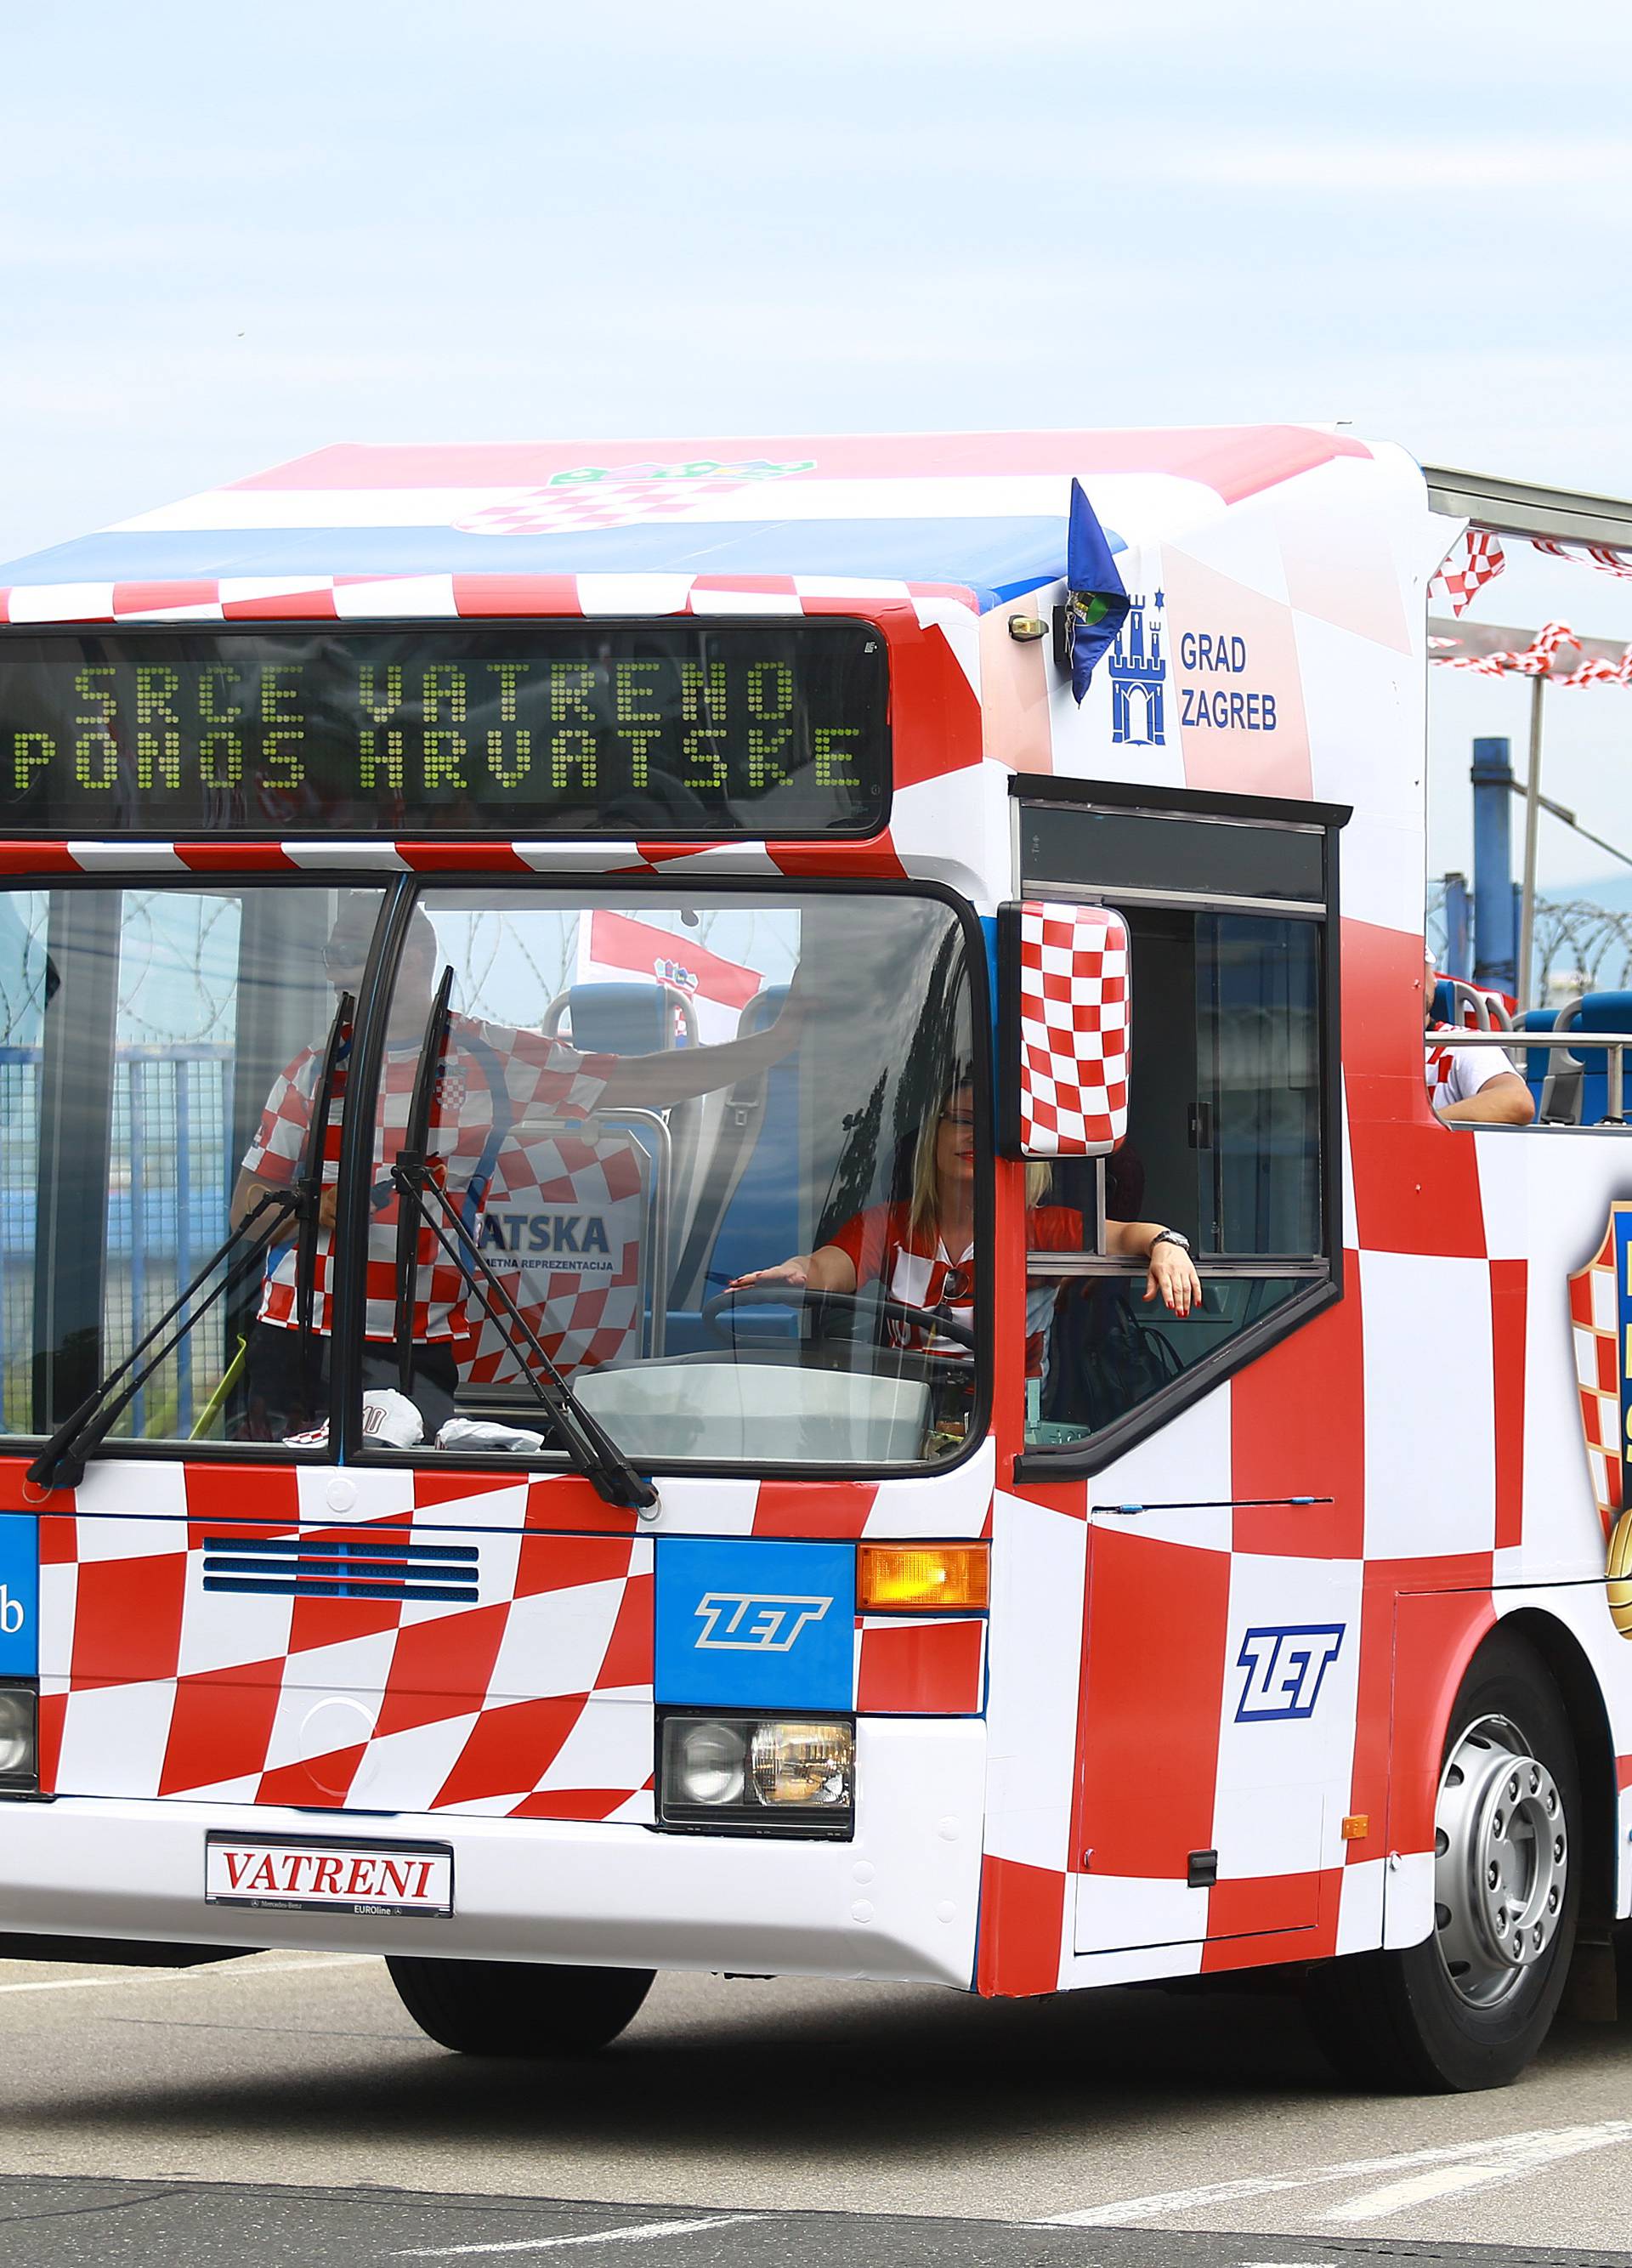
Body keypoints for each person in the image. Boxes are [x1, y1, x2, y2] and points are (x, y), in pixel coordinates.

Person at [230, 894, 802, 1440]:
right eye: (332, 958)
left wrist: (775, 1044)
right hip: (292, 1334)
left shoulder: (487, 1059)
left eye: (347, 957)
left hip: (412, 1345)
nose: (336, 977)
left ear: (412, 958)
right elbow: (247, 1208)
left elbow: (638, 1080)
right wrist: (314, 1207)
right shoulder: (312, 1070)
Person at [730, 1082, 1201, 1381]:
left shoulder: (1043, 1227)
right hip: (903, 1409)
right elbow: (829, 1267)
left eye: (991, 1129)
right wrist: (796, 1271)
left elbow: (1129, 1236)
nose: (975, 1138)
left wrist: (1168, 1246)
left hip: (1008, 1424)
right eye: (961, 1122)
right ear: (930, 1137)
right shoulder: (890, 1224)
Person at [1425, 954, 1535, 1126]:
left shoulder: (1460, 1044)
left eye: (1422, 968)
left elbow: (1517, 1101)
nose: (1413, 980)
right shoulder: (1369, 1053)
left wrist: (1422, 1125)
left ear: (1434, 980)